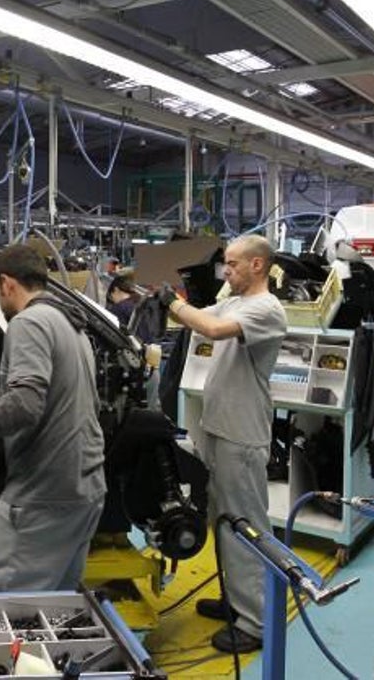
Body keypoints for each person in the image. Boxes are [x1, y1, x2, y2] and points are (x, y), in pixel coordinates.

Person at [0, 244, 107, 592]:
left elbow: (24, 405)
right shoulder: (70, 324)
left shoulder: (29, 323)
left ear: (6, 283)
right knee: (57, 606)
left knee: (8, 609)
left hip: (45, 493)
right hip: (84, 485)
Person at [158, 234, 287, 654]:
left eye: (232, 264)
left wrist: (172, 302)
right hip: (219, 426)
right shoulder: (233, 300)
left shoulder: (266, 309)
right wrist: (163, 298)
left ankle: (256, 622)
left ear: (257, 266)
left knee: (245, 523)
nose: (225, 271)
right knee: (223, 521)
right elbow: (194, 317)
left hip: (242, 432)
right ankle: (238, 601)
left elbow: (210, 328)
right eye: (224, 264)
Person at [106, 272, 160, 343]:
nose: (113, 302)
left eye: (111, 297)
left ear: (116, 290)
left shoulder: (119, 308)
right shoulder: (140, 304)